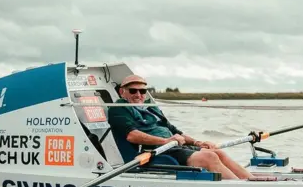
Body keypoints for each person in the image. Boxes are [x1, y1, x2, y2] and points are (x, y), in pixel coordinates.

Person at [107, 74, 255, 180]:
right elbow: (132, 135)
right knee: (208, 157)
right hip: (155, 151)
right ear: (122, 92)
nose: (138, 94)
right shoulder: (119, 108)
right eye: (133, 91)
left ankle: (251, 183)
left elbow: (175, 131)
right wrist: (165, 141)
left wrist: (198, 142)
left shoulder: (151, 108)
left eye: (142, 91)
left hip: (173, 147)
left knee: (217, 152)